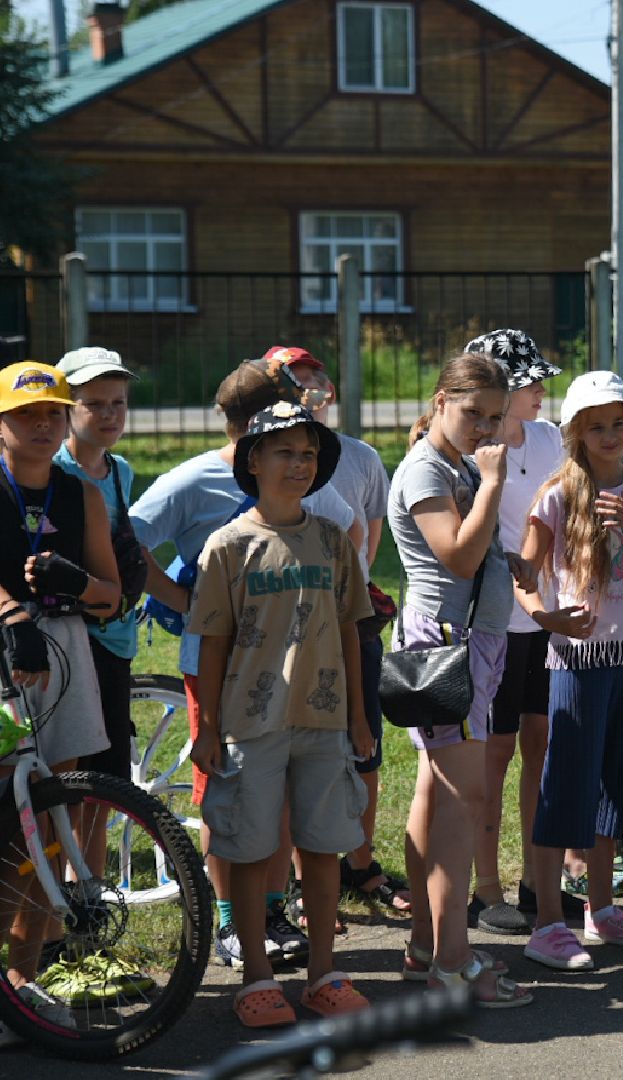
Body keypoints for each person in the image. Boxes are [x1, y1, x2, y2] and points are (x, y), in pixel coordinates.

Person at [129, 356, 359, 970]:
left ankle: (275, 913)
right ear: (251, 440)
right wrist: (180, 599)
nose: (296, 458)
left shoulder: (307, 492)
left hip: (307, 679)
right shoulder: (197, 480)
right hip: (225, 671)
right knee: (229, 797)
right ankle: (232, 920)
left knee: (284, 802)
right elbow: (133, 537)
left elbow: (342, 581)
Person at [188, 402, 372, 1027]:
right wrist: (208, 727)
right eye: (285, 452)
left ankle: (324, 972)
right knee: (249, 849)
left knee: (322, 850)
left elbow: (350, 627)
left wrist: (358, 716)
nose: (299, 463)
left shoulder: (330, 540)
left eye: (309, 454)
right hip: (249, 725)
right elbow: (211, 642)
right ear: (253, 461)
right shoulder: (230, 545)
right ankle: (256, 979)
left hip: (323, 723)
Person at [388, 352, 533, 1008]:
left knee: (436, 795)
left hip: (464, 640)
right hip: (449, 646)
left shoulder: (449, 464)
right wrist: (496, 482)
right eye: (472, 412)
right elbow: (455, 553)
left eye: (495, 418)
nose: (484, 428)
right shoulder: (427, 466)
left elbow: (472, 559)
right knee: (460, 805)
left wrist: (508, 563)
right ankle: (452, 964)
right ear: (441, 399)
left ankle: (426, 945)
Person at [521, 371, 623, 969]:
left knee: (615, 782)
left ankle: (603, 909)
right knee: (567, 784)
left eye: (619, 424)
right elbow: (527, 575)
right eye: (596, 426)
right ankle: (547, 924)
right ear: (576, 433)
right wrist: (548, 618)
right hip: (579, 661)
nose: (609, 435)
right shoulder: (557, 496)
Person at [264, 346, 410, 923]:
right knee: (300, 749)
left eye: (316, 383)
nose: (310, 395)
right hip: (289, 630)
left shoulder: (361, 456)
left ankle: (362, 863)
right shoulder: (266, 460)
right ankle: (303, 881)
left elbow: (368, 534)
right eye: (294, 385)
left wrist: (354, 590)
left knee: (363, 744)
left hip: (352, 621)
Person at [0, 361, 120, 1029]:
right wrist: (11, 612)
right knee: (5, 830)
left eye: (53, 412)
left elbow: (111, 597)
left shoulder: (85, 496)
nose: (43, 424)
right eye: (26, 414)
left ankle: (25, 979)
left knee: (51, 823)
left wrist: (74, 583)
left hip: (67, 656)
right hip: (8, 654)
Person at [461, 329, 576, 934]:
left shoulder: (550, 437)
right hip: (495, 624)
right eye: (529, 383)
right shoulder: (473, 451)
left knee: (541, 744)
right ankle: (485, 890)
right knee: (493, 753)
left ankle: (539, 881)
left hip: (545, 618)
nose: (539, 393)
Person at [52, 348, 145, 882]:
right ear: (68, 407)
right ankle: (62, 886)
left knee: (105, 775)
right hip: (70, 633)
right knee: (68, 769)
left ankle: (88, 885)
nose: (109, 415)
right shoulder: (55, 471)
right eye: (95, 404)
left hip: (115, 634)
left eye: (119, 404)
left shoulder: (121, 471)